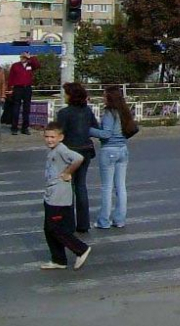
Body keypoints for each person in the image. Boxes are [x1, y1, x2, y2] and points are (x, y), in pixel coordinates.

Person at [41, 121, 92, 271]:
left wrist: (68, 172)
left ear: (61, 137)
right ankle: (58, 259)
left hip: (59, 196)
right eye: (47, 137)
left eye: (53, 137)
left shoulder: (61, 149)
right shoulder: (53, 150)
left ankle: (81, 249)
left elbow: (78, 158)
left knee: (55, 228)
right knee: (48, 228)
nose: (49, 140)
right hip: (51, 194)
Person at [89, 86, 137, 229]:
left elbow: (106, 134)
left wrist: (89, 130)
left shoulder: (110, 113)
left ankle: (104, 221)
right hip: (123, 150)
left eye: (104, 96)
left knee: (107, 187)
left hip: (109, 150)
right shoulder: (124, 111)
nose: (103, 98)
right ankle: (120, 219)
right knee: (121, 187)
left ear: (110, 97)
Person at [56, 82, 99, 234]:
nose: (64, 95)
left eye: (66, 93)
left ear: (71, 95)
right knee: (81, 186)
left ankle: (68, 222)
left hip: (70, 153)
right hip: (86, 151)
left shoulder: (64, 113)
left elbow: (58, 133)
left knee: (67, 187)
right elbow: (95, 127)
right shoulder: (87, 110)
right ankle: (83, 223)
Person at [7, 51, 40, 135]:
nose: (22, 58)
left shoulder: (30, 65)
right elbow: (11, 78)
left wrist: (30, 58)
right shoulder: (15, 65)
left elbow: (37, 65)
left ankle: (25, 128)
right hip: (18, 88)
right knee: (16, 108)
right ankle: (14, 127)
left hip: (27, 88)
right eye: (21, 57)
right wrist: (9, 89)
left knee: (26, 109)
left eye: (24, 57)